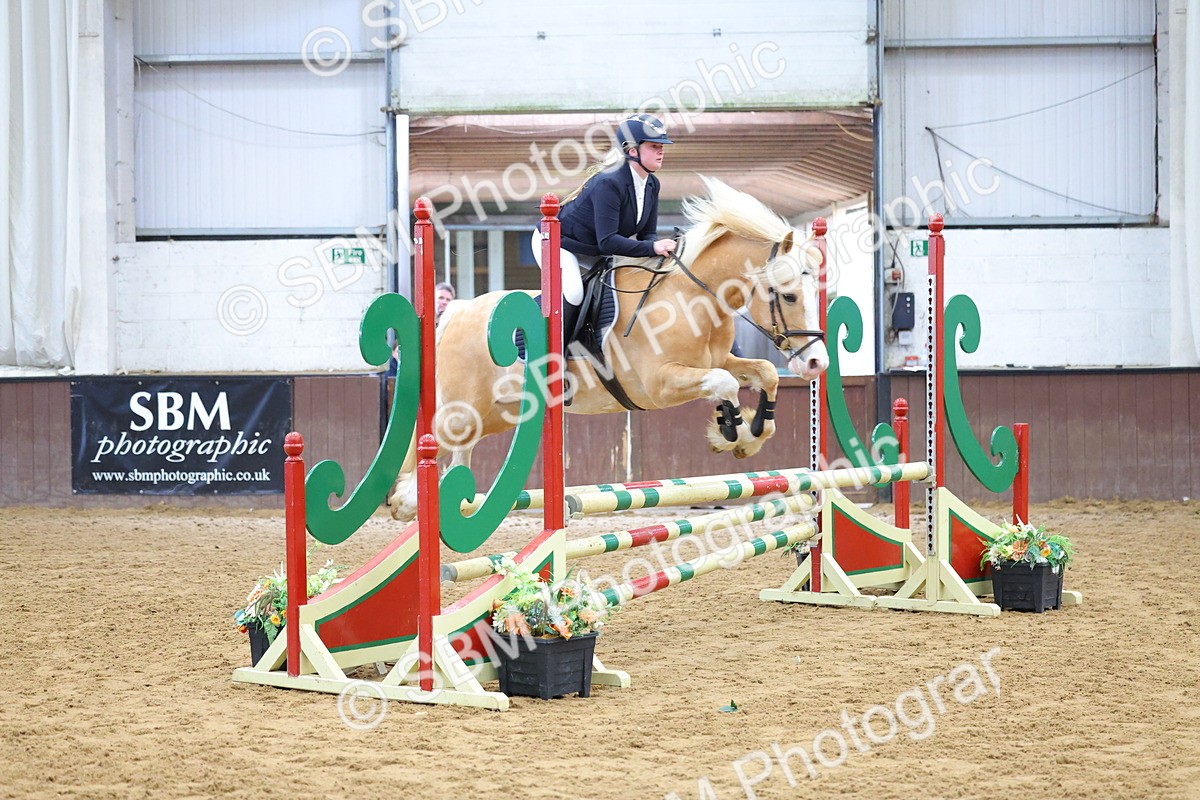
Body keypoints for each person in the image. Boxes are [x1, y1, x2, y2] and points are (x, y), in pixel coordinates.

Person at [533, 113, 677, 341]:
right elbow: (608, 241)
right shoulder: (609, 183)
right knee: (574, 292)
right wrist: (653, 248)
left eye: (662, 146)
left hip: (594, 247)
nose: (661, 151)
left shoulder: (651, 184)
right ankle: (554, 351)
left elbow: (647, 234)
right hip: (558, 242)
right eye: (654, 146)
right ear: (632, 150)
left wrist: (658, 253)